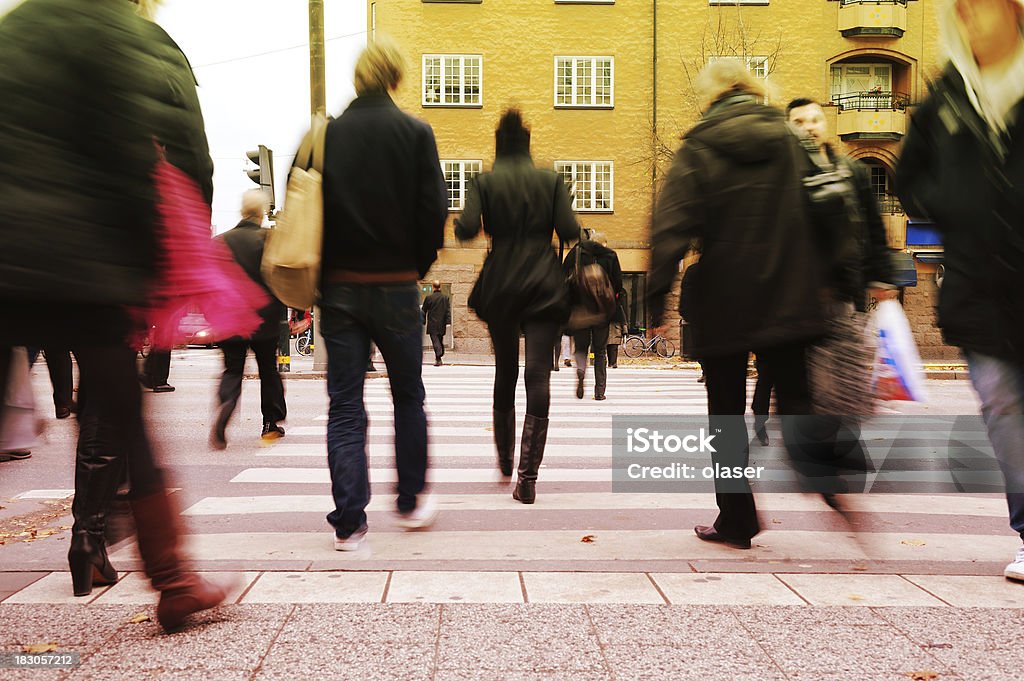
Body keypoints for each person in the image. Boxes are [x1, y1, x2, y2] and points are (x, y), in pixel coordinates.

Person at [0, 0, 229, 628]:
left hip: (6, 253)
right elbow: (169, 156)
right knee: (125, 421)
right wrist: (163, 259)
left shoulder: (15, 26)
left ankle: (120, 558)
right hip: (86, 259)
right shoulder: (130, 37)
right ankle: (174, 580)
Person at [647, 59, 827, 549]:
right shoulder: (792, 139)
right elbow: (824, 206)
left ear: (714, 93)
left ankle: (738, 518)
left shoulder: (700, 145)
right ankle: (823, 468)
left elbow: (671, 225)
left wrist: (655, 297)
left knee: (724, 415)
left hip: (724, 295)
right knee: (793, 395)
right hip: (788, 290)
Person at [896, 0, 1024, 581]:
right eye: (963, 10)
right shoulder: (946, 95)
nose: (972, 19)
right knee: (1003, 405)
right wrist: (957, 206)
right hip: (980, 282)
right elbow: (908, 177)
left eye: (984, 7)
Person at [319, 38, 448, 550]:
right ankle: (411, 498)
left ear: (357, 79)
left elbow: (307, 211)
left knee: (346, 404)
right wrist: (415, 266)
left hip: (340, 288)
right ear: (396, 78)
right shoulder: (416, 133)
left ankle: (350, 520)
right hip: (395, 286)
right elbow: (433, 210)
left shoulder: (325, 137)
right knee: (408, 395)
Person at [456, 109, 580, 503]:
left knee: (505, 371)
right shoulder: (550, 179)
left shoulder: (484, 181)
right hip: (544, 282)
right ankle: (527, 478)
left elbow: (465, 228)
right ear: (528, 144)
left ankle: (505, 459)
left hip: (501, 284)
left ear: (497, 144)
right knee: (538, 375)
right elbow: (571, 231)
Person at [210, 190, 288, 449]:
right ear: (263, 211)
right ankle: (269, 423)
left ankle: (227, 406)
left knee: (232, 369)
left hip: (231, 318)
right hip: (265, 319)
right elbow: (281, 278)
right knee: (268, 370)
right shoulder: (270, 240)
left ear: (242, 210)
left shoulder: (220, 242)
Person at [563, 230, 622, 401]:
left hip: (580, 311)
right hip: (602, 312)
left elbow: (563, 277)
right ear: (603, 243)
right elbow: (618, 284)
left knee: (581, 349)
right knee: (601, 351)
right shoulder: (610, 255)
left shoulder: (576, 253)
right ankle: (599, 392)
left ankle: (581, 370)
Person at [421, 280, 450, 366]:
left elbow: (424, 310)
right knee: (439, 340)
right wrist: (448, 322)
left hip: (432, 323)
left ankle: (439, 354)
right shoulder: (445, 298)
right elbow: (447, 311)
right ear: (440, 287)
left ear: (433, 287)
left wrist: (423, 321)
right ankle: (439, 358)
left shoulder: (429, 298)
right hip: (442, 323)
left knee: (435, 341)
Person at [607, 288, 628, 369]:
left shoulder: (618, 307)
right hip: (610, 329)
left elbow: (623, 319)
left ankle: (613, 362)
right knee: (609, 347)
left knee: (614, 347)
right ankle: (610, 362)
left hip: (616, 329)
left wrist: (625, 330)